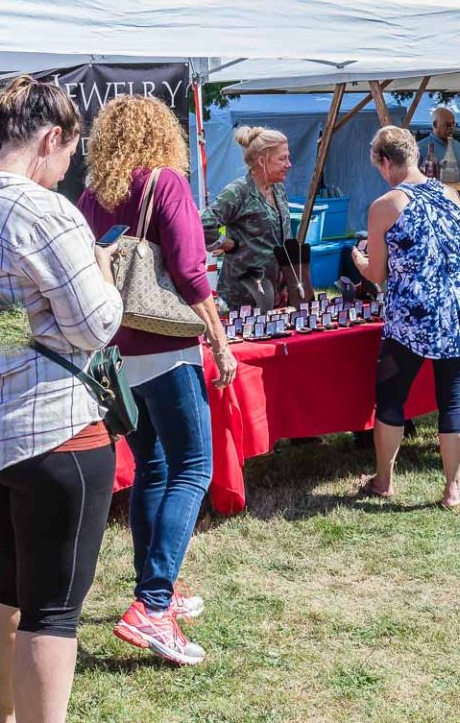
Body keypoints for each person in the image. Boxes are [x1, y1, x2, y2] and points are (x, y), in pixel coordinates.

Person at [0, 76, 123, 723]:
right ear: (51, 138)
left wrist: (42, 322)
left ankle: (6, 715)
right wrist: (99, 267)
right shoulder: (45, 211)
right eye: (71, 155)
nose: (69, 171)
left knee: (7, 585)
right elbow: (98, 326)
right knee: (54, 612)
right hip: (54, 434)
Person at [79, 95, 236, 666]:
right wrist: (219, 340)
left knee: (155, 467)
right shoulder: (165, 183)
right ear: (161, 135)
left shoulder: (94, 195)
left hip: (119, 349)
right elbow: (192, 270)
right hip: (169, 347)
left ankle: (157, 590)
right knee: (195, 466)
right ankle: (151, 605)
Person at [351, 126, 460, 508]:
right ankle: (453, 489)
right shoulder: (449, 193)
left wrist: (361, 262)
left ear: (384, 161)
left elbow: (378, 275)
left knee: (391, 400)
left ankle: (383, 481)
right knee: (453, 400)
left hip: (413, 316)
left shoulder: (386, 205)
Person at [201, 126, 292, 310]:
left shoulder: (278, 189)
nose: (289, 164)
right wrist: (227, 243)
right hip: (241, 297)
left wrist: (287, 281)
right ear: (262, 161)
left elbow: (284, 237)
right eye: (282, 159)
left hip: (272, 292)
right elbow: (203, 225)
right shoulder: (238, 191)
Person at [417, 106, 460, 181]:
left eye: (454, 124)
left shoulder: (458, 146)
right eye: (448, 125)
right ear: (435, 124)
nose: (451, 128)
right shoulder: (420, 148)